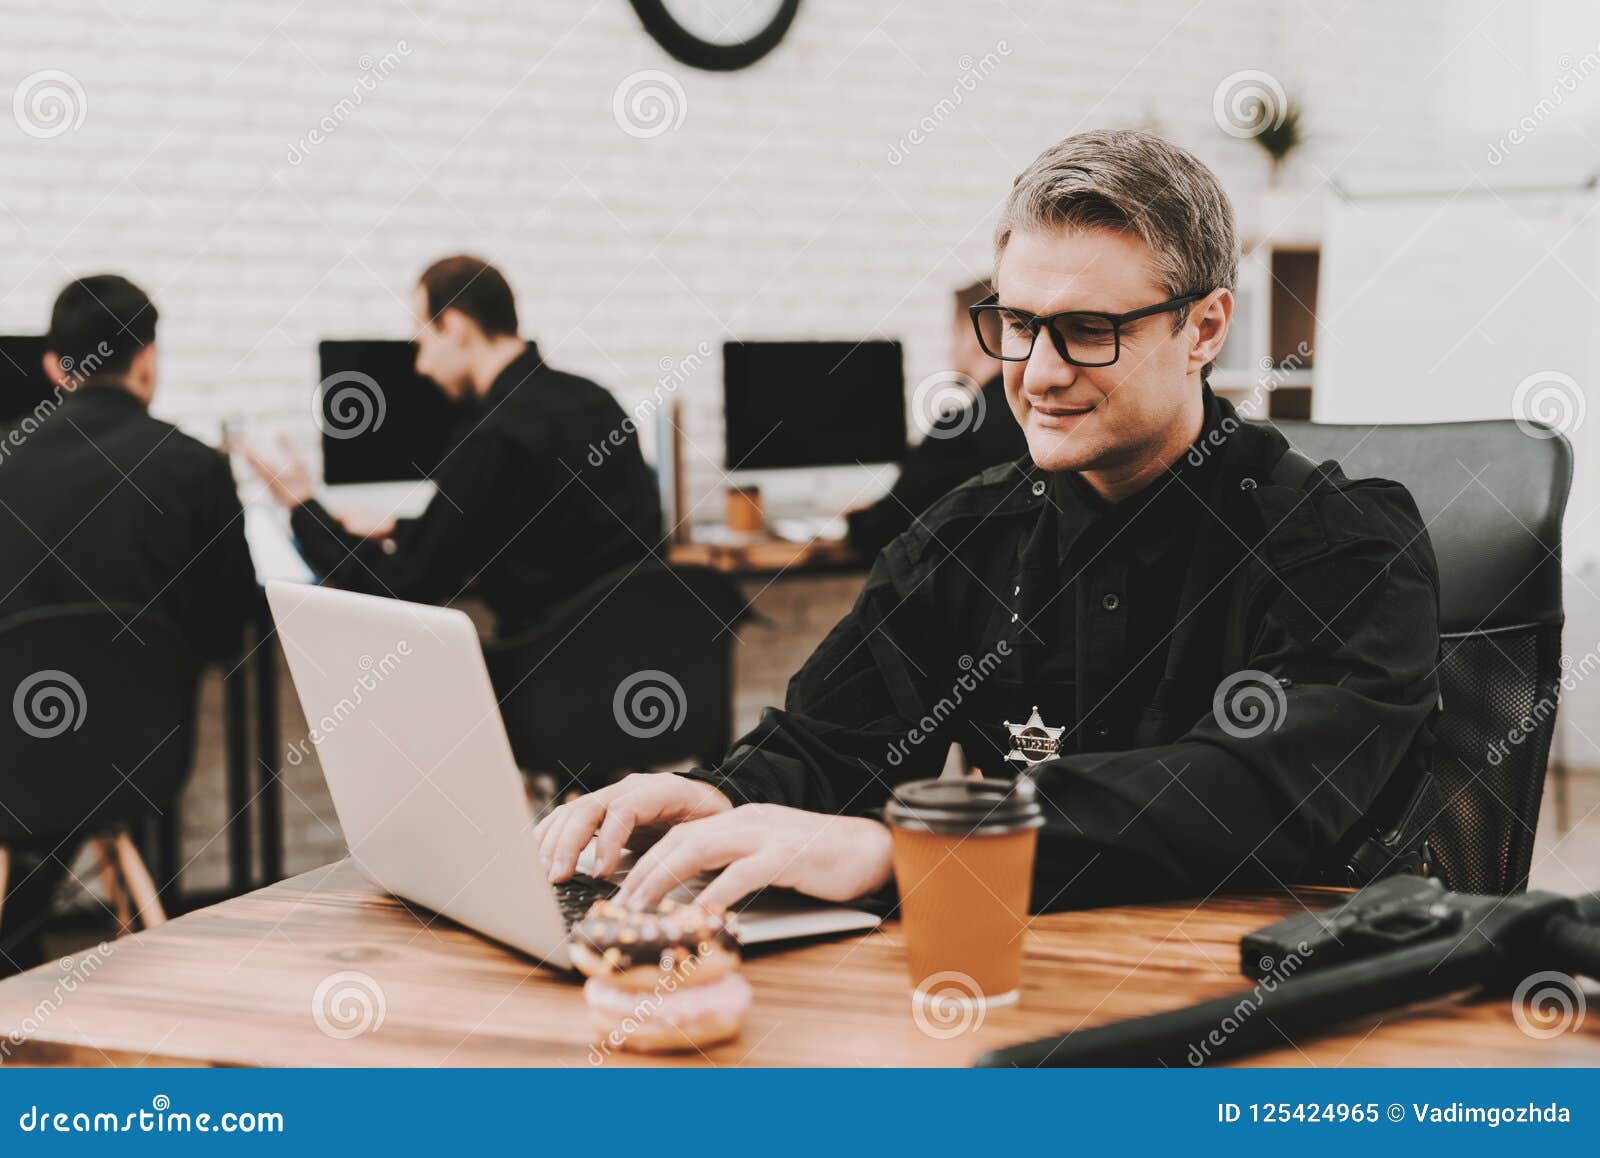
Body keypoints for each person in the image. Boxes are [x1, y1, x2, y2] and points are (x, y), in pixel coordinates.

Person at [537, 129, 1442, 914]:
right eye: (1017, 323)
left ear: (1204, 330)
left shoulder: (1343, 544)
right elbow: (834, 741)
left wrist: (919, 851)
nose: (1038, 374)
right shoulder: (968, 537)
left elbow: (1251, 790)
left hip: (1268, 1006)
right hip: (1022, 985)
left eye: (1089, 329)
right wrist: (722, 798)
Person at [0, 274, 259, 966]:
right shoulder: (198, 468)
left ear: (56, 368)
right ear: (148, 360)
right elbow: (226, 634)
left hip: (12, 759)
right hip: (142, 763)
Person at [245, 256, 664, 638]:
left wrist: (302, 506)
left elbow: (403, 584)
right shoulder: (596, 401)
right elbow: (549, 533)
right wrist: (401, 528)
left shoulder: (495, 433)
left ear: (457, 328)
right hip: (640, 650)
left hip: (547, 673)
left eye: (423, 343)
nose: (421, 367)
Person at [844, 280, 1025, 557]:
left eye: (953, 333)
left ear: (970, 335)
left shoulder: (959, 429)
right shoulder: (1039, 418)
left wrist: (853, 520)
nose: (950, 348)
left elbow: (880, 533)